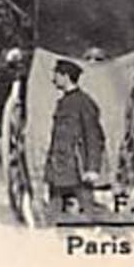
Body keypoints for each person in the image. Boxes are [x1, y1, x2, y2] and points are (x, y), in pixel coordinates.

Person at [45, 58, 104, 218]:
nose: (53, 79)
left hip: (76, 168)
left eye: (56, 74)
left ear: (66, 76)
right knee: (54, 210)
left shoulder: (84, 102)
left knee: (87, 209)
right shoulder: (64, 101)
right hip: (59, 166)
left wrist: (92, 168)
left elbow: (93, 136)